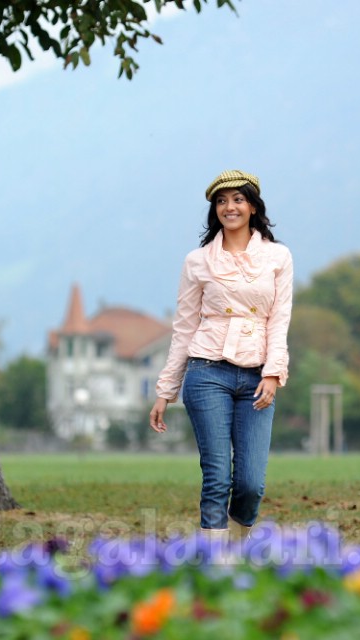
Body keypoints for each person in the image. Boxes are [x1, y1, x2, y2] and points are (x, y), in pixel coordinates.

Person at [150, 169, 293, 544]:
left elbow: (280, 320)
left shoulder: (278, 257)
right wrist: (165, 391)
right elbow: (183, 328)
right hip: (206, 372)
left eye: (238, 199)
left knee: (249, 483)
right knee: (217, 477)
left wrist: (274, 373)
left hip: (257, 376)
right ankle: (218, 565)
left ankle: (238, 548)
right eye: (222, 201)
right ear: (214, 210)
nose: (230, 207)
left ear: (253, 206)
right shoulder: (197, 261)